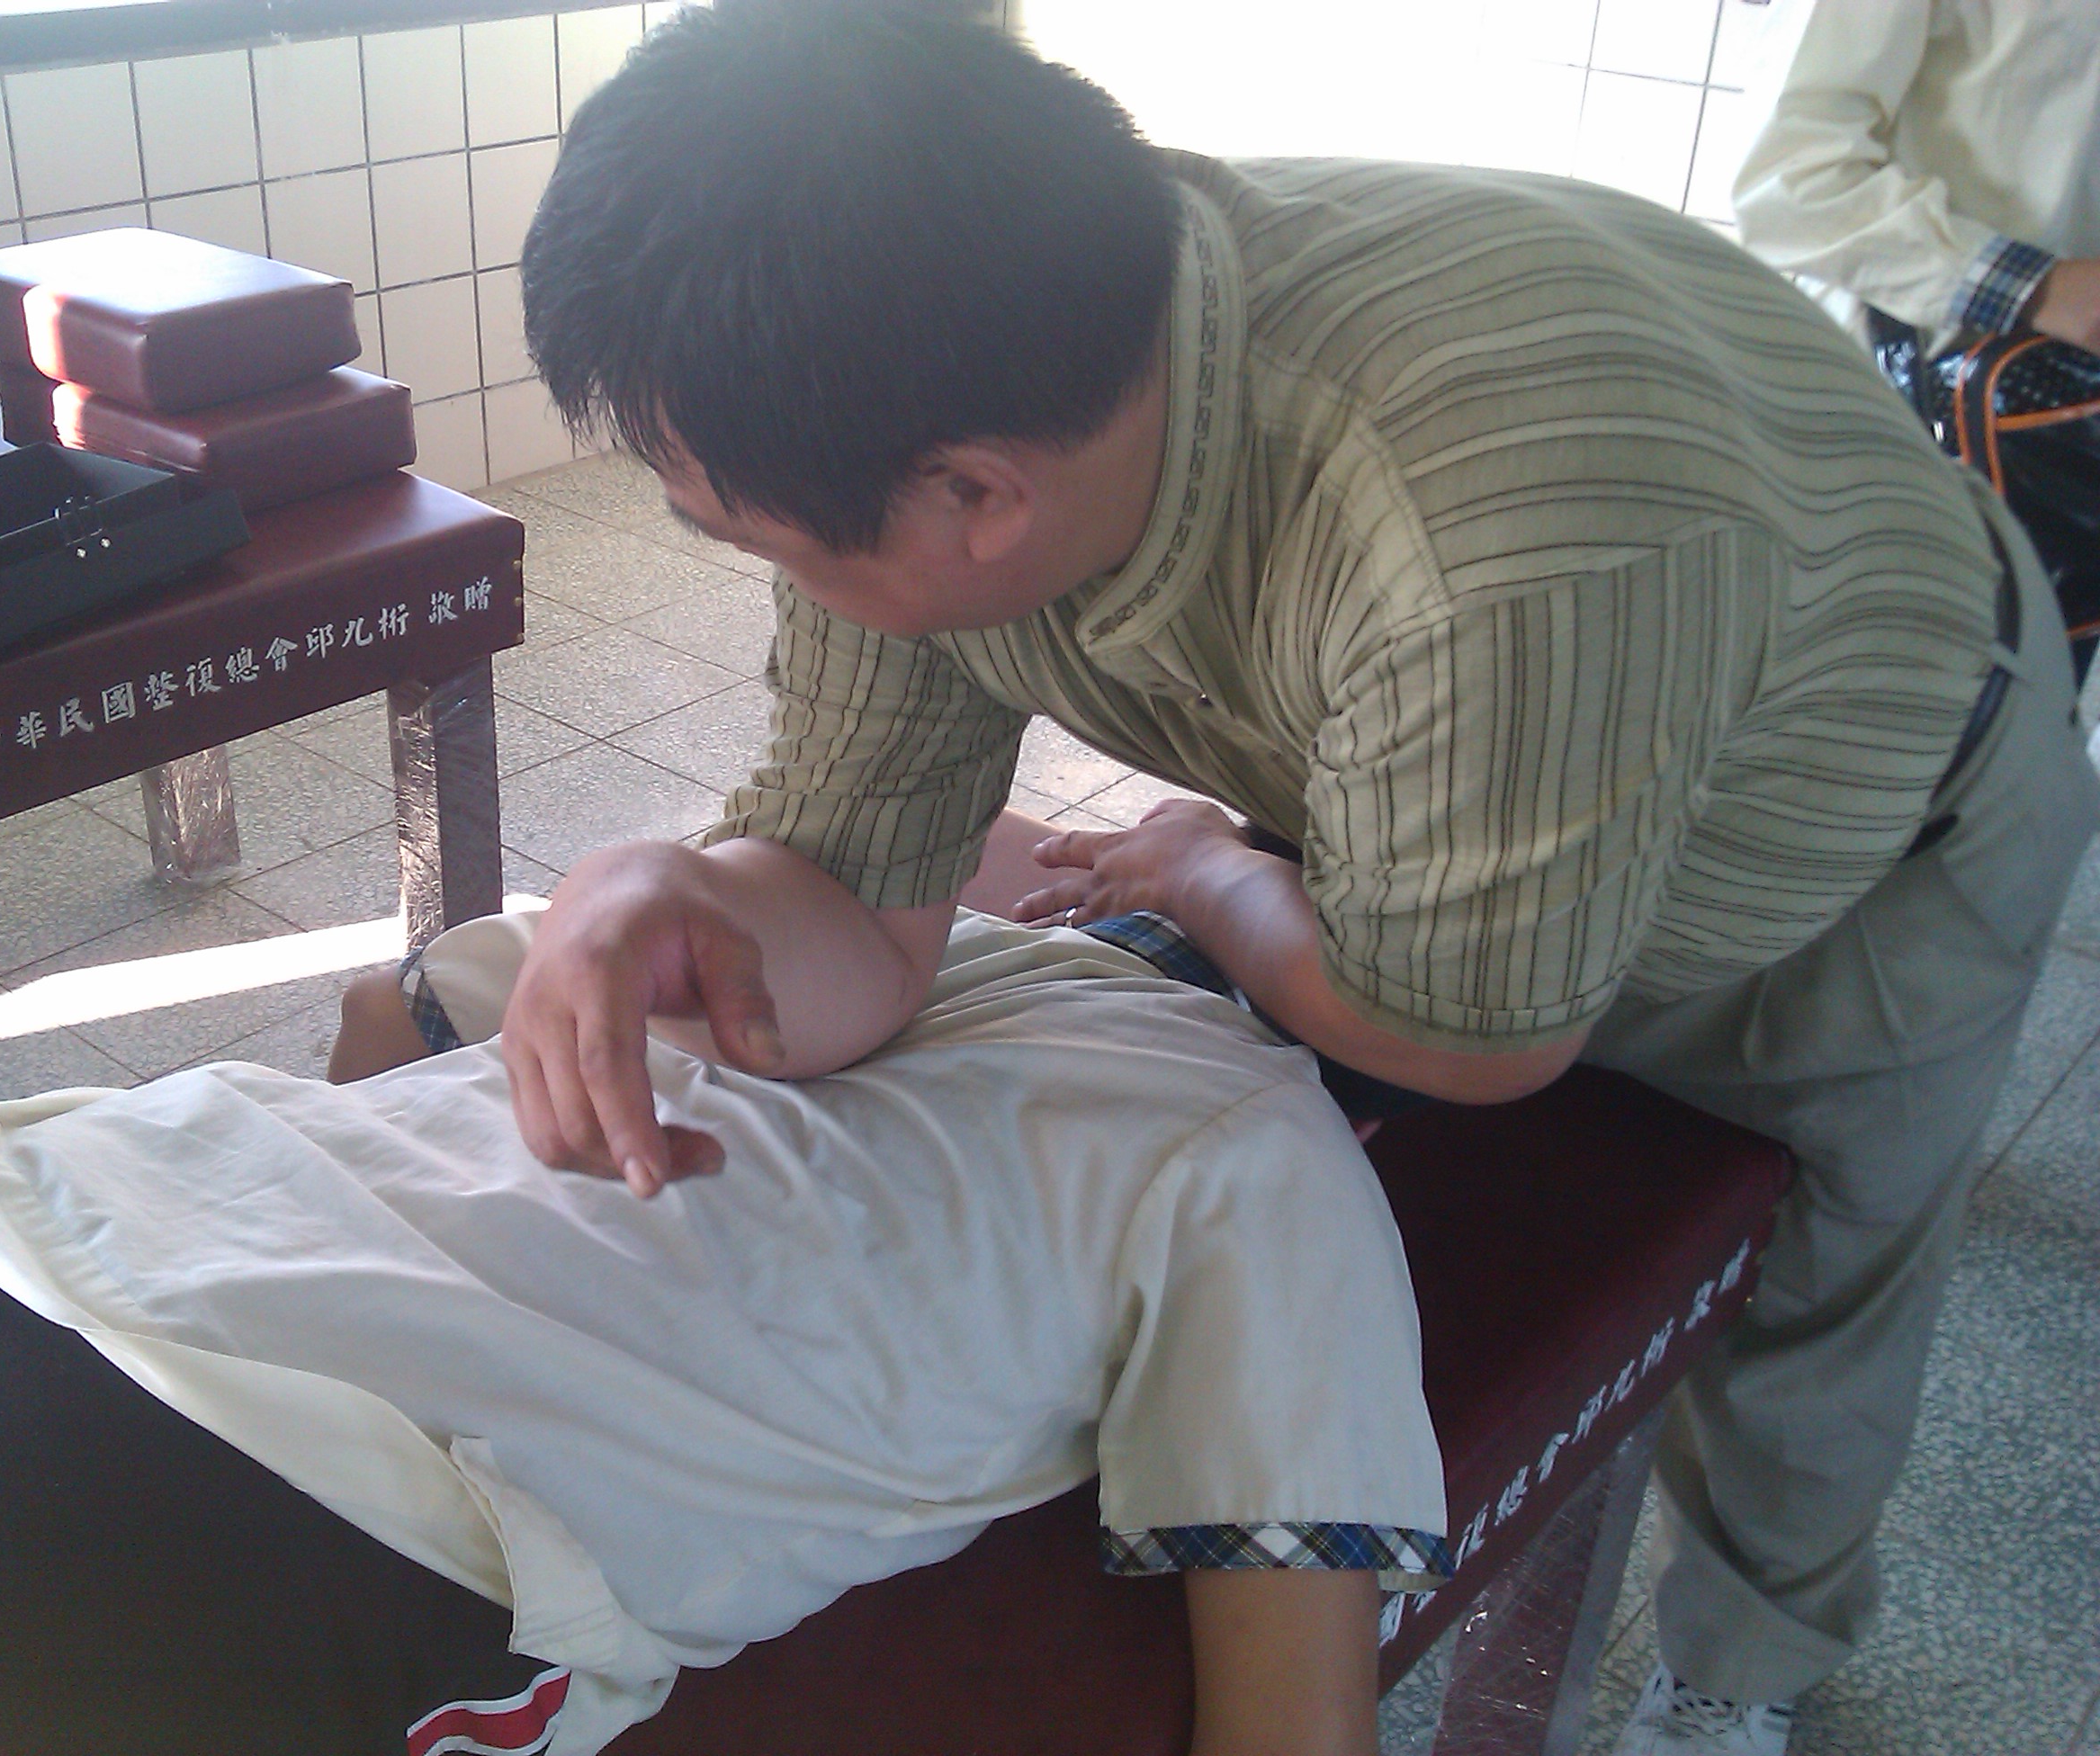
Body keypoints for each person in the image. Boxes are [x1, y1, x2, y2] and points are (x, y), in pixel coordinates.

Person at [394, 5, 2097, 1754]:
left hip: (1860, 809)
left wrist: (1209, 871)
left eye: (746, 534)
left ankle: (1744, 1666)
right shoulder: (953, 372)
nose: (757, 564)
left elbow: (1468, 1039)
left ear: (975, 498)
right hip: (1489, 753)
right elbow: (858, 904)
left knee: (1819, 1296)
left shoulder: (1483, 549)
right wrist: (659, 889)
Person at [0, 909, 1448, 1756]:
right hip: (256, 1497)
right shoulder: (1266, 1146)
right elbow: (1291, 1718)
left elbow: (391, 1007)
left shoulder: (867, 921)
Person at [1731, 0, 2100, 685]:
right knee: (1873, 716)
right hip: (1902, 437)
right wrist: (2041, 288)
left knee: (2031, 723)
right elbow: (1788, 180)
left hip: (2065, 457)